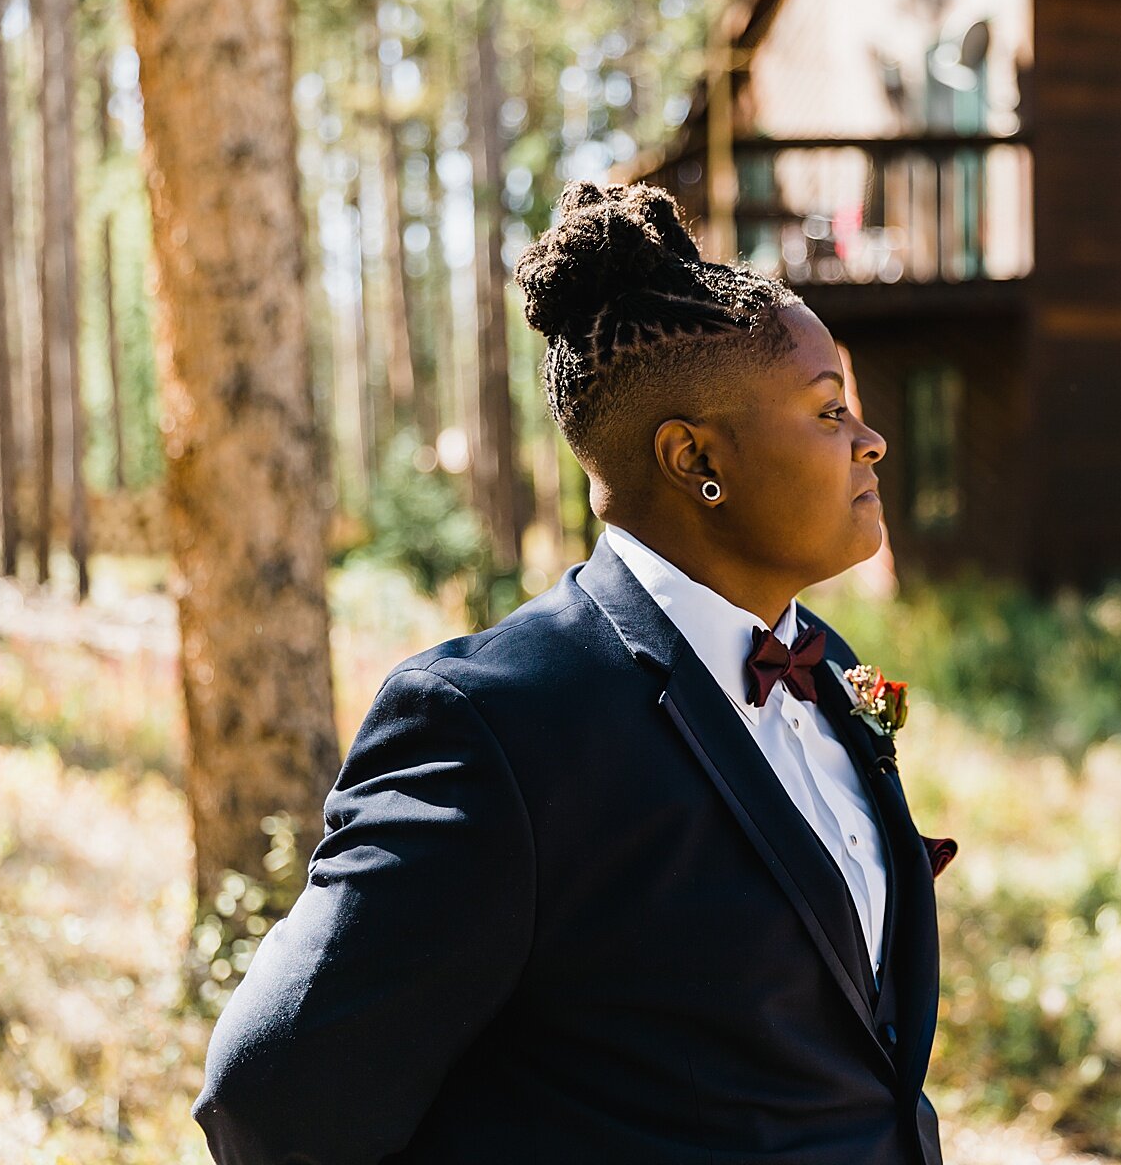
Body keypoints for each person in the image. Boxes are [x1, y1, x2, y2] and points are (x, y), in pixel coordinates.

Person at [191, 180, 954, 1165]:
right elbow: (267, 1097)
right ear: (693, 458)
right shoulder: (496, 723)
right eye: (828, 410)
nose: (870, 438)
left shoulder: (834, 666)